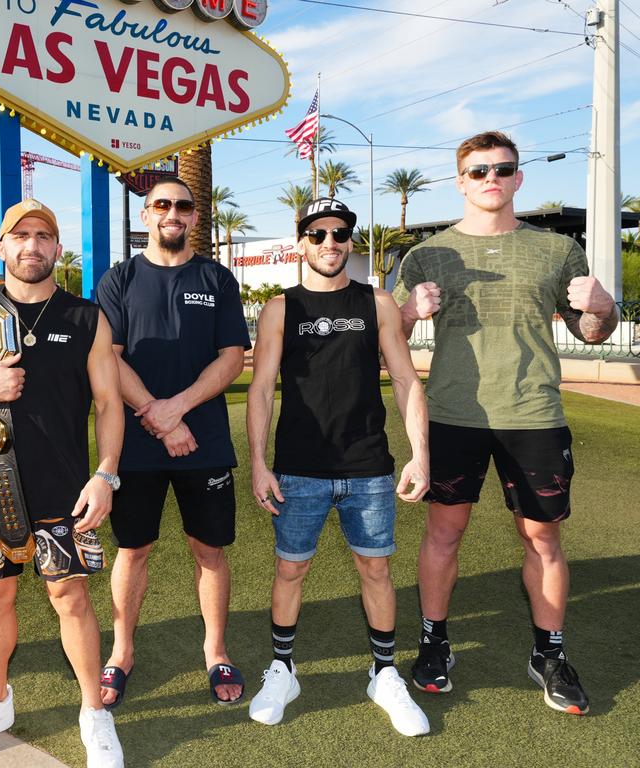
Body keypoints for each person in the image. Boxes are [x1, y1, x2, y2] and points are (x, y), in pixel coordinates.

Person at [393, 131, 619, 715]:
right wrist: (406, 312)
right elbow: (385, 338)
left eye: (503, 169)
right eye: (477, 171)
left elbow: (593, 334)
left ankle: (549, 655)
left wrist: (601, 305)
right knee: (444, 533)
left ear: (519, 178)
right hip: (451, 417)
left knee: (542, 537)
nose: (491, 178)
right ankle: (434, 643)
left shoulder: (556, 251)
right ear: (460, 181)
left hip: (534, 416)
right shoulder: (426, 255)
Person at [0, 199, 125, 767]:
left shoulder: (86, 317)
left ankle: (93, 711)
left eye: (43, 236)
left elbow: (110, 404)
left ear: (57, 249)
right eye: (20, 236)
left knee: (70, 596)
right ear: (0, 247)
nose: (32, 245)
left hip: (64, 484)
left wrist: (105, 475)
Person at [245, 197, 431, 736]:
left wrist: (421, 452)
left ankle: (384, 673)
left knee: (375, 568)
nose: (331, 243)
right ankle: (283, 668)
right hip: (298, 470)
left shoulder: (378, 304)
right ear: (301, 243)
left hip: (368, 468)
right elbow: (261, 389)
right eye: (319, 233)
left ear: (351, 241)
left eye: (340, 233)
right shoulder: (280, 309)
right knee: (290, 569)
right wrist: (259, 464)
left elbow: (405, 380)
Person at [95, 178, 251, 707]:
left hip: (201, 443)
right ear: (146, 214)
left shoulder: (216, 277)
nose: (173, 213)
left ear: (193, 215)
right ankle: (121, 652)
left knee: (209, 550)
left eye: (183, 205)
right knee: (133, 549)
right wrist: (156, 417)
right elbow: (109, 358)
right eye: (162, 204)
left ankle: (215, 650)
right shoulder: (119, 279)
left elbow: (232, 357)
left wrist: (176, 409)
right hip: (136, 446)